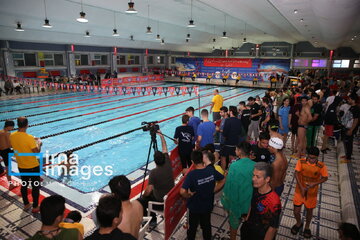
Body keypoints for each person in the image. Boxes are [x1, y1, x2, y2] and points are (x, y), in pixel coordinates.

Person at [180, 151, 225, 240]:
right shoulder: (211, 170)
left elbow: (182, 191)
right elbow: (223, 179)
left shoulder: (192, 175)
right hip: (207, 206)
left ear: (192, 162)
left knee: (192, 228)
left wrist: (188, 195)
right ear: (202, 159)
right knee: (206, 226)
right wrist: (213, 190)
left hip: (194, 207)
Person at [291, 147, 328, 238]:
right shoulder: (301, 161)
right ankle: (298, 223)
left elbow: (325, 177)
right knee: (296, 211)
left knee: (309, 211)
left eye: (314, 158)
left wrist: (314, 183)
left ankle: (307, 227)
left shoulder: (321, 166)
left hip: (312, 194)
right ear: (307, 156)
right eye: (310, 157)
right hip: (299, 191)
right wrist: (301, 187)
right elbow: (296, 173)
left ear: (317, 157)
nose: (311, 160)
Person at [221, 142, 255, 240]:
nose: (235, 151)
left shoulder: (234, 166)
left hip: (236, 201)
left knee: (234, 224)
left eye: (236, 149)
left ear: (239, 151)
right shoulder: (255, 165)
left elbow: (230, 186)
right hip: (249, 201)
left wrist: (226, 201)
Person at [140, 131, 174, 225]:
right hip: (171, 196)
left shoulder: (153, 173)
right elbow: (165, 148)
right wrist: (162, 136)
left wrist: (143, 195)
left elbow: (148, 190)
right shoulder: (168, 162)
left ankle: (152, 219)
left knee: (141, 200)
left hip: (161, 203)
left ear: (155, 161)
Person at [240, 162, 281, 240]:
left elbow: (272, 228)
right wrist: (247, 220)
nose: (253, 179)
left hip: (261, 235)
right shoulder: (256, 187)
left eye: (258, 177)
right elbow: (252, 205)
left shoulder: (274, 201)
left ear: (267, 179)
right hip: (248, 228)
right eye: (253, 175)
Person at [10, 117, 42, 213]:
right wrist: (39, 144)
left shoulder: (12, 135)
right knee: (35, 186)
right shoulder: (29, 138)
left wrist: (32, 139)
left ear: (18, 125)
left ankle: (26, 204)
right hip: (32, 166)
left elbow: (14, 145)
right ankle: (35, 206)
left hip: (21, 165)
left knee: (24, 184)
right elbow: (36, 152)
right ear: (27, 125)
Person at [340, 93, 359, 162]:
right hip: (347, 126)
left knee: (349, 142)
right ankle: (347, 155)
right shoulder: (351, 107)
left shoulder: (356, 109)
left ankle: (348, 158)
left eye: (349, 99)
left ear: (353, 100)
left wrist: (351, 130)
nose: (348, 100)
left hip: (351, 128)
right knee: (347, 142)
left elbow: (356, 120)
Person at [0, 120, 15, 189]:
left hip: (1, 151)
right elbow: (10, 145)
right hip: (6, 151)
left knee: (7, 167)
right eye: (12, 127)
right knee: (8, 168)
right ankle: (10, 185)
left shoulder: (0, 131)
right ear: (9, 126)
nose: (12, 129)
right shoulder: (7, 133)